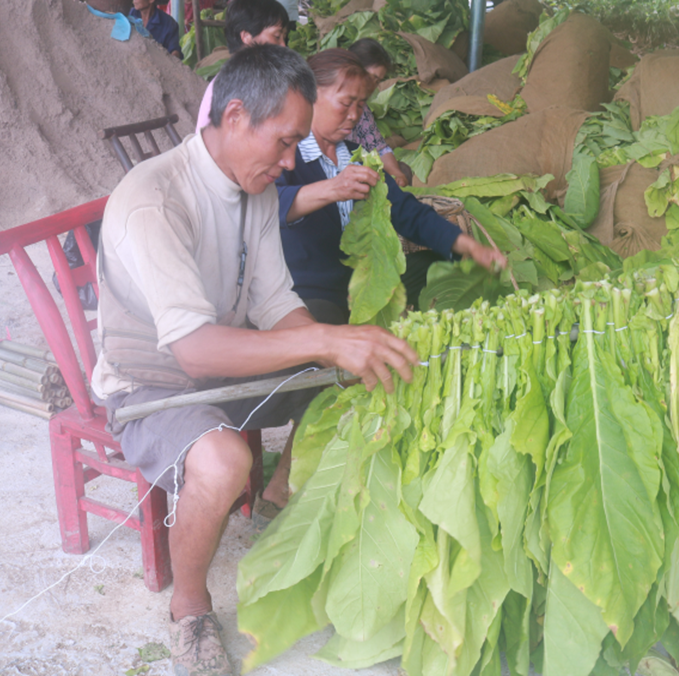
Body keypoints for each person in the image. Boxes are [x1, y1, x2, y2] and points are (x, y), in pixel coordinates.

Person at [92, 45, 418, 676]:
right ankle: (190, 608)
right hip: (151, 383)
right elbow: (194, 349)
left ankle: (280, 503)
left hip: (226, 358)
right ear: (237, 116)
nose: (292, 161)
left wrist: (336, 346)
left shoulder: (256, 188)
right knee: (223, 461)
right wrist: (326, 341)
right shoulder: (155, 198)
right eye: (285, 141)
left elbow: (275, 304)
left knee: (346, 380)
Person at [276, 48, 505, 321]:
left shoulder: (359, 157)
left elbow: (407, 212)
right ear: (311, 96)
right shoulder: (286, 155)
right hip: (310, 292)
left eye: (360, 105)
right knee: (319, 318)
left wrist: (468, 246)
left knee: (434, 268)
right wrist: (332, 189)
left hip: (362, 283)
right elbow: (273, 204)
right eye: (346, 103)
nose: (354, 115)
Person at [195, 0, 290, 131]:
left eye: (284, 37)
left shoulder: (261, 79)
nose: (283, 46)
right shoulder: (235, 84)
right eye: (277, 36)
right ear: (246, 37)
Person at [346, 38, 410, 187]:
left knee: (404, 170)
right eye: (371, 78)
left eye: (377, 82)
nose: (373, 87)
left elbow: (379, 148)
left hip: (355, 173)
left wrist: (397, 174)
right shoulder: (327, 105)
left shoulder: (363, 110)